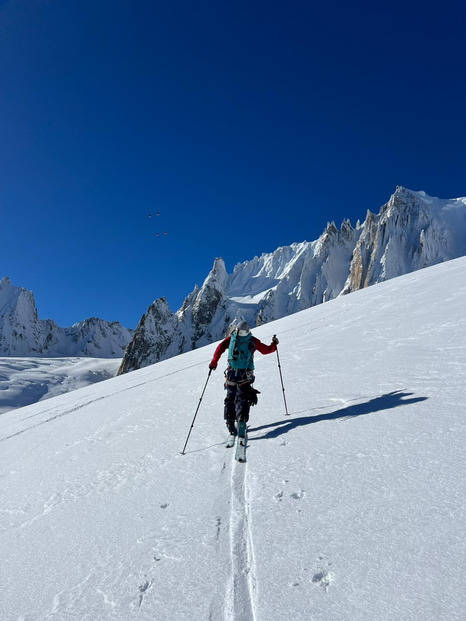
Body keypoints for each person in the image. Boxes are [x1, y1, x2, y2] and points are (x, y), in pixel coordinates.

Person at [209, 320, 279, 437]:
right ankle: (241, 417)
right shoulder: (252, 340)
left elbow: (220, 348)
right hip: (245, 375)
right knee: (243, 396)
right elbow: (265, 350)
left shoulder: (231, 339)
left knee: (230, 397)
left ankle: (230, 422)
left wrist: (213, 363)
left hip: (231, 373)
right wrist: (274, 345)